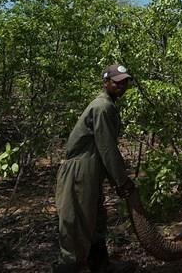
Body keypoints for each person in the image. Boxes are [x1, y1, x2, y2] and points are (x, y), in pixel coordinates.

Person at [54, 64, 136, 273]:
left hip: (91, 168)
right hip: (79, 171)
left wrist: (116, 180)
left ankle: (100, 265)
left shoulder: (107, 105)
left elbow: (104, 149)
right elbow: (107, 148)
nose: (121, 86)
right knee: (76, 225)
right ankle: (71, 267)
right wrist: (122, 181)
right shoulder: (102, 107)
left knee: (96, 220)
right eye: (117, 82)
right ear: (106, 82)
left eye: (124, 81)